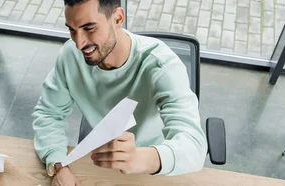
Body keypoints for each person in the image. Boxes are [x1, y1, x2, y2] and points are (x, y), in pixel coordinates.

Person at [32, 0, 207, 185]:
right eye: (72, 30)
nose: (79, 43)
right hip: (99, 167)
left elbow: (194, 146)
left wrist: (142, 158)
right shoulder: (70, 56)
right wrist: (58, 165)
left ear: (117, 18)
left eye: (89, 28)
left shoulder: (162, 65)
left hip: (155, 170)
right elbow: (48, 114)